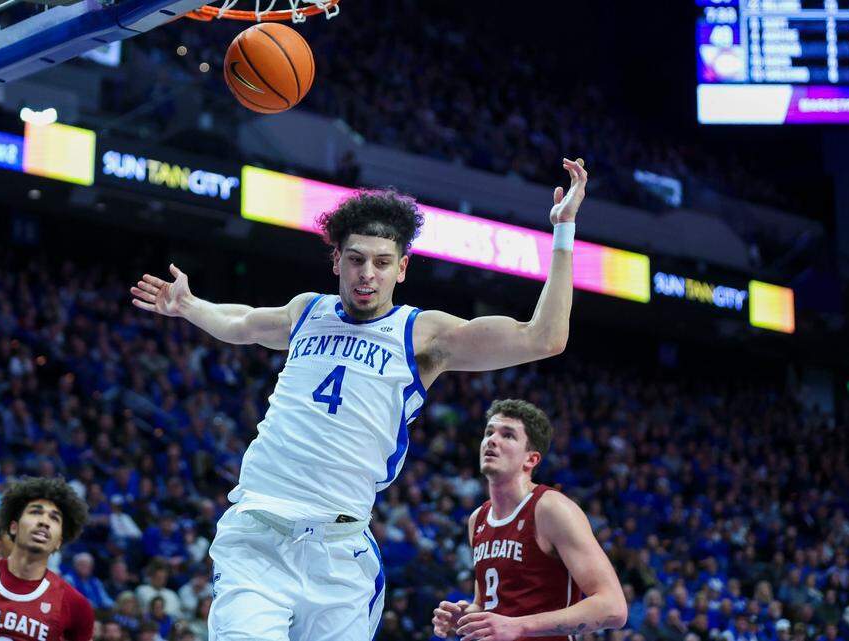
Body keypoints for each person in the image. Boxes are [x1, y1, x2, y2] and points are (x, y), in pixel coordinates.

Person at [131, 159, 589, 640]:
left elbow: (545, 337)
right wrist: (187, 306)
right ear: (336, 261)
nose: (366, 273)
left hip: (340, 553)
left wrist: (563, 233)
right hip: (258, 535)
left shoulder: (423, 334)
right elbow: (242, 323)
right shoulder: (307, 310)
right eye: (355, 259)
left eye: (381, 262)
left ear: (402, 268)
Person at [431, 400, 627, 640]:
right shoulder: (478, 519)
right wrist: (464, 617)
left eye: (508, 435)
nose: (492, 440)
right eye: (489, 432)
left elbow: (613, 608)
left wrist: (519, 626)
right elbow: (488, 605)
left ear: (531, 459)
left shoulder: (551, 509)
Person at [0, 476, 94, 641]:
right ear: (13, 527)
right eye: (35, 512)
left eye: (54, 518)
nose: (44, 522)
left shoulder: (76, 605)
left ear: (59, 541)